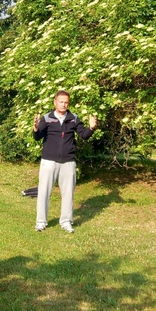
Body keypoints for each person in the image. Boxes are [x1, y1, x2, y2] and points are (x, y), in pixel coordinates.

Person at [33, 90, 97, 234]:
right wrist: (36, 128)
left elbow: (84, 135)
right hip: (48, 161)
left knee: (68, 193)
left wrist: (92, 128)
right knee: (44, 192)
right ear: (55, 102)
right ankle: (41, 222)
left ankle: (66, 221)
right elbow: (37, 137)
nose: (63, 104)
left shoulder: (73, 118)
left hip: (68, 161)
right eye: (61, 102)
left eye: (66, 102)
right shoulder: (47, 118)